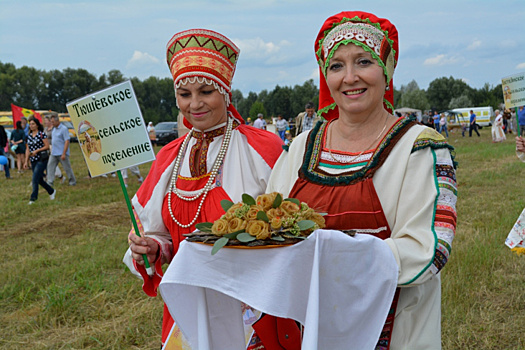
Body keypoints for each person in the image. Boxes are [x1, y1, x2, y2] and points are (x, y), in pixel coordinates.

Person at [267, 11, 457, 349]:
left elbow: (429, 251)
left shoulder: (420, 146)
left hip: (391, 330)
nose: (350, 77)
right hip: (306, 326)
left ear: (387, 70)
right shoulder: (302, 147)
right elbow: (271, 227)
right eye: (336, 66)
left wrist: (328, 256)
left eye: (364, 62)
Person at [124, 28, 283, 348]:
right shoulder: (169, 158)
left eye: (206, 91)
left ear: (225, 93)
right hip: (190, 307)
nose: (194, 103)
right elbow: (161, 234)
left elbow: (292, 231)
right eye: (185, 94)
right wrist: (152, 247)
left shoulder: (263, 149)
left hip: (252, 310)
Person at [24, 117, 55, 204]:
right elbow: (27, 149)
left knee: (34, 178)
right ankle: (51, 191)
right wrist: (26, 161)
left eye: (33, 124)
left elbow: (47, 146)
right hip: (33, 159)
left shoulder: (41, 134)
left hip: (41, 159)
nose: (31, 126)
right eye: (30, 124)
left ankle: (33, 198)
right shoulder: (29, 136)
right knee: (39, 179)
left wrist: (37, 151)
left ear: (37, 125)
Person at [47, 115, 76, 186]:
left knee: (67, 168)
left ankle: (72, 181)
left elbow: (67, 141)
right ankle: (50, 182)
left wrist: (64, 153)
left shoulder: (64, 129)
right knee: (50, 166)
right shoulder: (53, 129)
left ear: (57, 121)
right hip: (54, 153)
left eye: (53, 122)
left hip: (61, 152)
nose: (52, 123)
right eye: (51, 122)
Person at [44, 116, 64, 182]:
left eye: (46, 120)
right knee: (49, 162)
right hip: (46, 147)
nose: (45, 122)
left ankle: (59, 175)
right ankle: (50, 176)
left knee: (52, 162)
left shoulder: (54, 129)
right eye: (45, 121)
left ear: (50, 121)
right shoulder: (45, 129)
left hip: (53, 147)